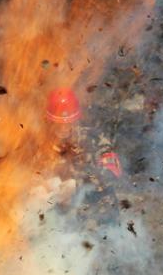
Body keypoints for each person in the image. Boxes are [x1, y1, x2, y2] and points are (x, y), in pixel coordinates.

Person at [35, 87, 121, 224]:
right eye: (58, 124)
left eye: (67, 123)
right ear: (50, 121)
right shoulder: (43, 145)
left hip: (96, 210)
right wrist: (42, 189)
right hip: (60, 215)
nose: (63, 129)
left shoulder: (94, 139)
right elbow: (33, 177)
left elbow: (112, 173)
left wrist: (76, 184)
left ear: (75, 120)